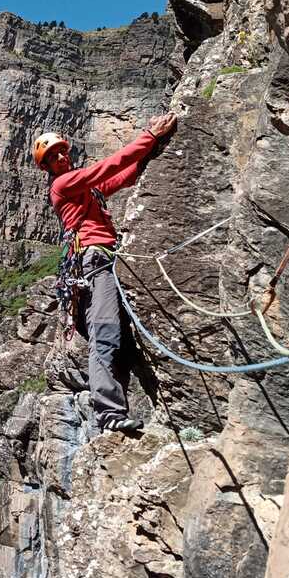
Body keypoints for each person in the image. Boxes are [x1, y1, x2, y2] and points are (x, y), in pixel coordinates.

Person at [33, 114, 177, 433]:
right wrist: (149, 136)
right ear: (47, 167)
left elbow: (119, 178)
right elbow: (107, 167)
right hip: (94, 259)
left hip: (104, 256)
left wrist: (151, 153)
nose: (60, 157)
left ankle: (110, 406)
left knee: (113, 331)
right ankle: (108, 412)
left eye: (61, 151)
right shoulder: (63, 184)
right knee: (106, 329)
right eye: (52, 157)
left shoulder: (88, 189)